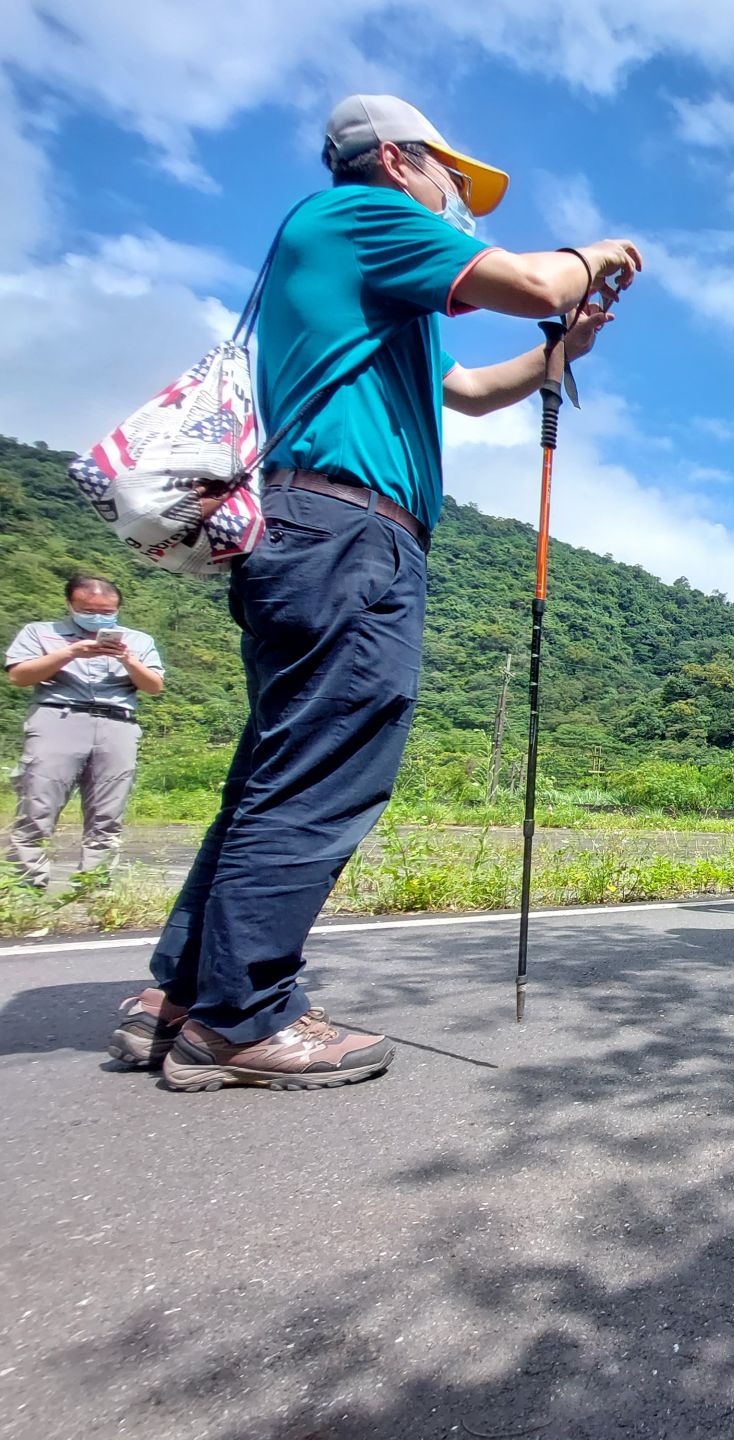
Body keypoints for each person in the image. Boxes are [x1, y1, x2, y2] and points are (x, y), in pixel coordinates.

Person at [107, 94, 642, 1090]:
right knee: (325, 771)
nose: (459, 198)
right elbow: (533, 280)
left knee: (280, 767)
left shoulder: (378, 284)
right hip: (348, 533)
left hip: (314, 531)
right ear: (397, 159)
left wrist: (563, 352)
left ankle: (180, 994)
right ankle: (242, 1016)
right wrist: (595, 254)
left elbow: (469, 392)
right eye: (452, 175)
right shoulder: (364, 215)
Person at [7, 577, 164, 887]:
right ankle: (26, 887)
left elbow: (154, 686)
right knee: (38, 805)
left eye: (107, 611)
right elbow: (19, 677)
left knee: (108, 813)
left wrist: (127, 659)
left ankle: (93, 888)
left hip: (117, 723)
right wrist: (72, 652)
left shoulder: (139, 640)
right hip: (58, 718)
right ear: (70, 605)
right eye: (88, 610)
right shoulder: (40, 632)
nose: (98, 618)